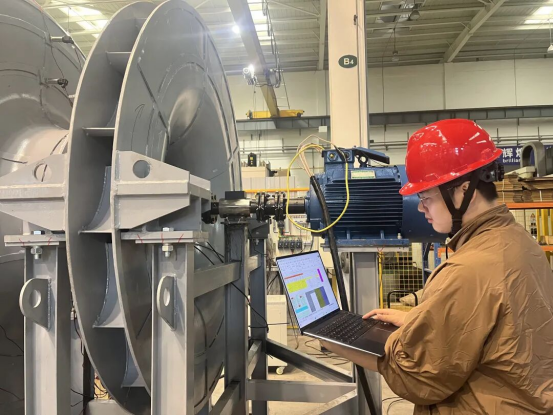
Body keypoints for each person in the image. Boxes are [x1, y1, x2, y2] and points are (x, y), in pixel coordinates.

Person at [363, 119, 553, 413]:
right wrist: (421, 320)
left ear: (464, 190)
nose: (421, 207)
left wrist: (370, 344)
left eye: (426, 196)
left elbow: (419, 377)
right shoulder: (518, 240)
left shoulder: (468, 268)